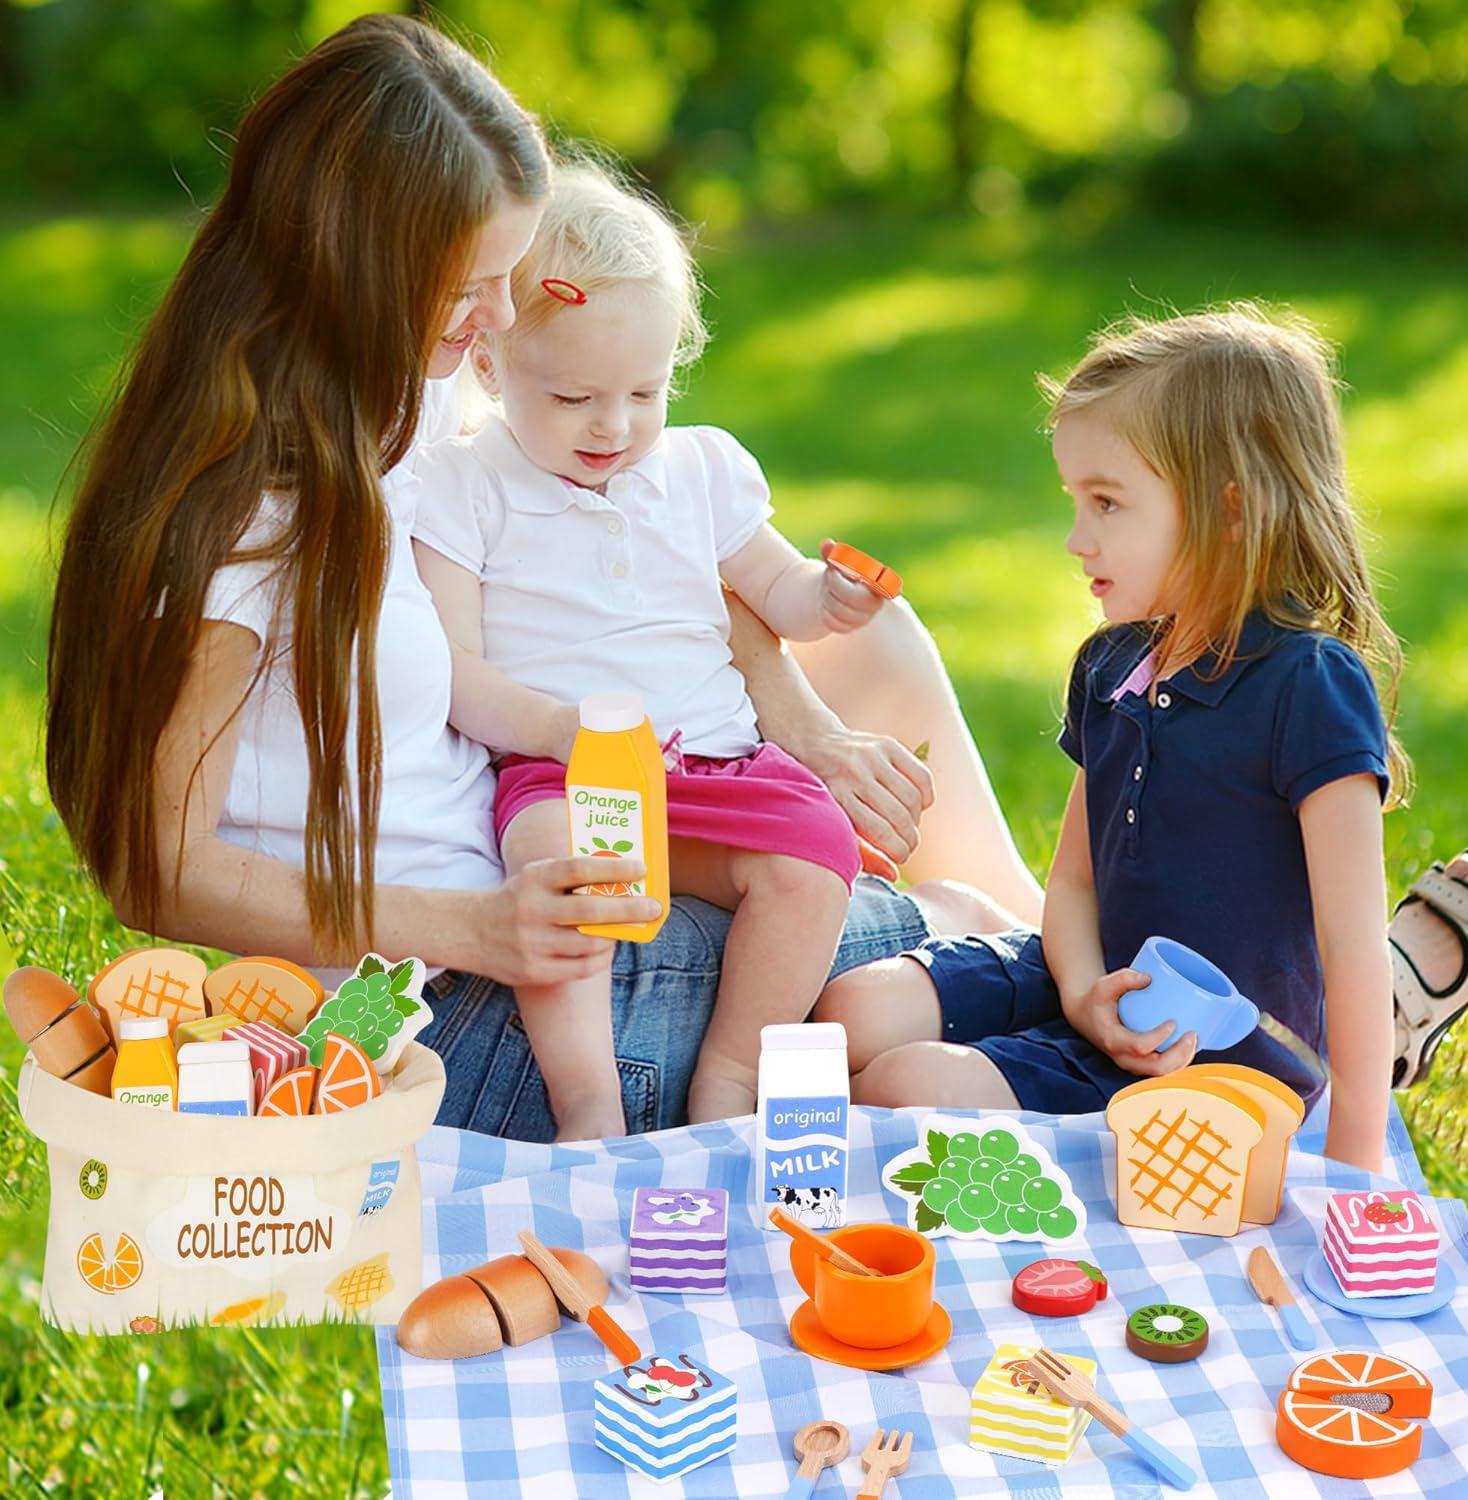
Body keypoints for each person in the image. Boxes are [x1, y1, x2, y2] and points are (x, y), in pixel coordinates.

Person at [39, 14, 1039, 1144]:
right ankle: (1083, 994)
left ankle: (1057, 966)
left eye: (512, 276)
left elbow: (646, 555)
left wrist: (801, 722)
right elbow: (149, 867)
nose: (505, 318)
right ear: (354, 266)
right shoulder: (246, 518)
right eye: (473, 285)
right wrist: (477, 927)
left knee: (876, 651)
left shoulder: (395, 400)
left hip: (544, 881)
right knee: (956, 942)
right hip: (459, 1004)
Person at [817, 306, 1468, 1173]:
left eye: (1106, 503)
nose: (1076, 538)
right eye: (1075, 501)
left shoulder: (1310, 688)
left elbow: (1350, 944)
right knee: (844, 1016)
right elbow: (1070, 882)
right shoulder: (1113, 666)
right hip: (1095, 984)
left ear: (1230, 511)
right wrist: (1080, 992)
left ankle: (1391, 1036)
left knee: (902, 1084)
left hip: (1210, 1056)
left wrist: (1357, 1156)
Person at [403, 163, 892, 1137]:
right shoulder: (468, 486)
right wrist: (556, 728)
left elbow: (777, 590)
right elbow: (454, 672)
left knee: (817, 854)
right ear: (491, 367)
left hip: (720, 762)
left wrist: (827, 599)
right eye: (576, 396)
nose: (614, 426)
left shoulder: (701, 469)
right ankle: (586, 1096)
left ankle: (729, 1077)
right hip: (569, 771)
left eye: (644, 390)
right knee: (553, 870)